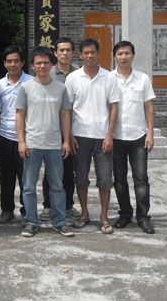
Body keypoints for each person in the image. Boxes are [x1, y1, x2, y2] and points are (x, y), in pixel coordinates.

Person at [15, 47, 74, 238]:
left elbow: (65, 115)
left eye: (46, 63)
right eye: (38, 63)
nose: (42, 66)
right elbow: (20, 116)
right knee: (29, 186)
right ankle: (32, 222)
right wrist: (21, 142)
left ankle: (59, 221)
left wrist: (66, 141)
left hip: (54, 145)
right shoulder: (25, 88)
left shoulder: (61, 88)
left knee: (57, 186)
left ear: (51, 65)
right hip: (32, 144)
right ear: (32, 66)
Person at [65, 38, 120, 234]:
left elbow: (114, 106)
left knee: (105, 179)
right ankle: (84, 213)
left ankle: (104, 217)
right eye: (86, 53)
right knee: (80, 178)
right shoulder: (72, 78)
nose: (89, 56)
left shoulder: (109, 77)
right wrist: (69, 134)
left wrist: (109, 134)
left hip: (102, 137)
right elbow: (67, 109)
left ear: (98, 54)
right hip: (80, 137)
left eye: (93, 52)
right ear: (80, 55)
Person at [112, 40, 156, 234]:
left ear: (133, 56)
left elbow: (149, 107)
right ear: (115, 56)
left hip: (138, 135)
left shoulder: (143, 79)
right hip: (115, 137)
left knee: (141, 178)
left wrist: (150, 133)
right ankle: (125, 213)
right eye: (120, 53)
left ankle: (143, 216)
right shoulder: (109, 79)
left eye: (127, 53)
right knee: (119, 178)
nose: (123, 57)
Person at [40, 37, 78, 222]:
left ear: (73, 53)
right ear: (55, 53)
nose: (64, 53)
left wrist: (70, 133)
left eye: (68, 50)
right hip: (51, 129)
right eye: (61, 50)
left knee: (69, 171)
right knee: (50, 170)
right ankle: (47, 206)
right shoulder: (48, 74)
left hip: (72, 130)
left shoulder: (79, 74)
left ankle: (68, 205)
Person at [0, 44, 31, 223]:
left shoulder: (31, 82)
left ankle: (26, 211)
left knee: (26, 178)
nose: (13, 64)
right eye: (9, 61)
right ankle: (7, 210)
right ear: (4, 63)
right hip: (5, 135)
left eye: (16, 61)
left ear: (23, 62)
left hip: (26, 137)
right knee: (6, 176)